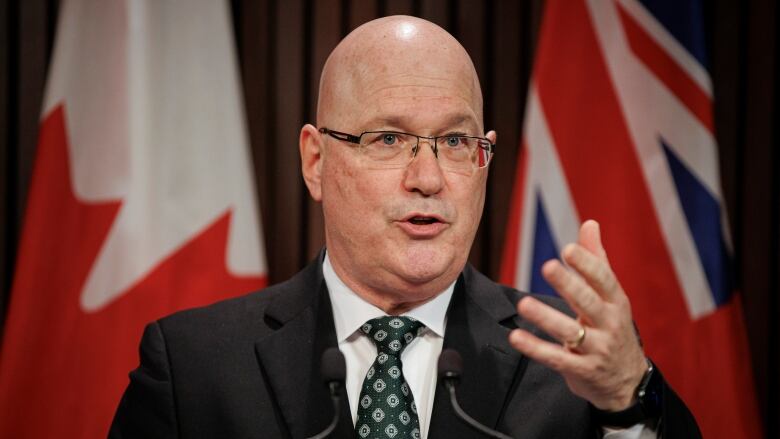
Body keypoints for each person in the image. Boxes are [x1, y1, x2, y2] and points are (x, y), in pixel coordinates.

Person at [110, 16, 700, 439]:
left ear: (483, 159)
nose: (429, 177)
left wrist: (629, 403)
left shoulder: (572, 365)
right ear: (316, 162)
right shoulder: (193, 368)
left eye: (454, 141)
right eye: (388, 138)